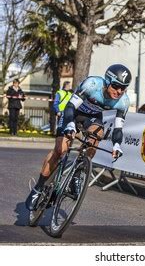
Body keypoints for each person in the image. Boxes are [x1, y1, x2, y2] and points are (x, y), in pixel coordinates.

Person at [25, 64, 132, 211]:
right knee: (60, 150)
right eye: (116, 86)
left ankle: (77, 173)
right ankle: (38, 188)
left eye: (123, 88)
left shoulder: (123, 101)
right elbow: (69, 106)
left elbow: (118, 128)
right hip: (73, 113)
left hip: (93, 118)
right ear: (107, 81)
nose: (119, 91)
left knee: (96, 137)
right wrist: (70, 124)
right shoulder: (92, 84)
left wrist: (117, 145)